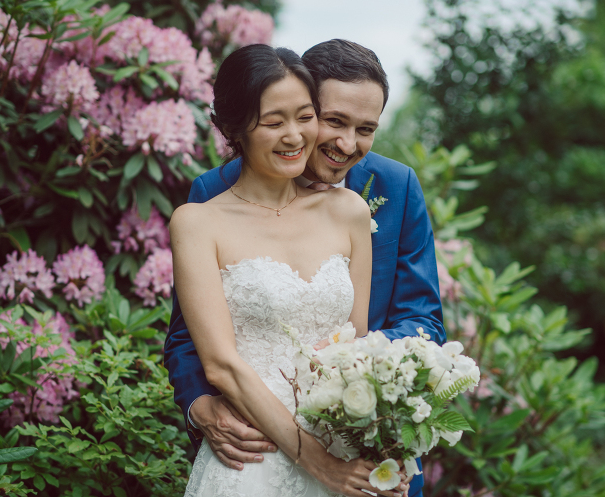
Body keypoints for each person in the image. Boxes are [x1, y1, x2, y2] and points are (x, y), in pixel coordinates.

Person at [166, 40, 445, 497]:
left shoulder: (386, 192)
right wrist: (200, 406)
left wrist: (359, 373)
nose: (346, 144)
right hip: (252, 446)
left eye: (366, 128)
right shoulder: (209, 198)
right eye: (334, 121)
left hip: (355, 446)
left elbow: (421, 321)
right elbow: (189, 331)